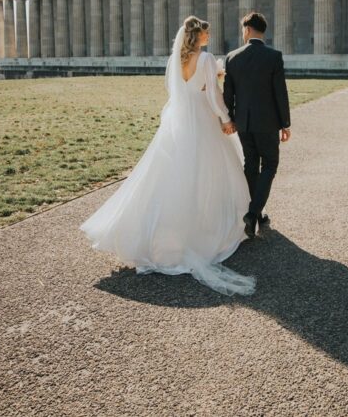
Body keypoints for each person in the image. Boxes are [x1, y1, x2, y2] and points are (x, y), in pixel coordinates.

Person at [80, 16, 255, 295]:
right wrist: (224, 117)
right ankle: (203, 231)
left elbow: (177, 92)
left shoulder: (176, 59)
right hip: (202, 118)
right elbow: (212, 94)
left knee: (174, 172)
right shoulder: (207, 59)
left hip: (181, 119)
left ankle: (163, 231)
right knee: (207, 171)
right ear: (199, 35)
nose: (209, 37)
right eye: (206, 33)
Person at [222, 11, 291, 239]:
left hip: (243, 123)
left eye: (243, 29)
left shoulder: (232, 57)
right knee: (270, 165)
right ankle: (253, 213)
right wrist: (285, 124)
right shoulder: (273, 56)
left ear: (248, 29)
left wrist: (230, 119)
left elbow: (228, 94)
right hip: (268, 122)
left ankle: (256, 214)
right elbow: (280, 93)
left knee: (251, 165)